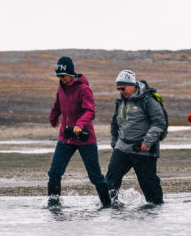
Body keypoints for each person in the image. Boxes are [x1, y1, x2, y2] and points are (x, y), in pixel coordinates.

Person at [47, 56, 111, 207]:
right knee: (54, 173)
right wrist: (53, 117)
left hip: (85, 139)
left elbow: (90, 111)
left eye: (62, 76)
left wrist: (80, 124)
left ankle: (108, 205)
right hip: (66, 137)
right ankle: (53, 206)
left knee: (95, 177)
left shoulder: (84, 89)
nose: (61, 79)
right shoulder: (61, 87)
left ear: (70, 73)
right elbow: (58, 104)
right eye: (58, 76)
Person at [106, 69, 166, 205]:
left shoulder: (148, 100)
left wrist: (147, 142)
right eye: (118, 89)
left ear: (133, 85)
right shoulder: (120, 102)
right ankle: (109, 207)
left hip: (143, 148)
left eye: (123, 88)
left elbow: (159, 122)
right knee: (110, 180)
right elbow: (114, 124)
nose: (120, 91)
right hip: (122, 147)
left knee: (149, 184)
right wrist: (114, 143)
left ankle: (156, 210)